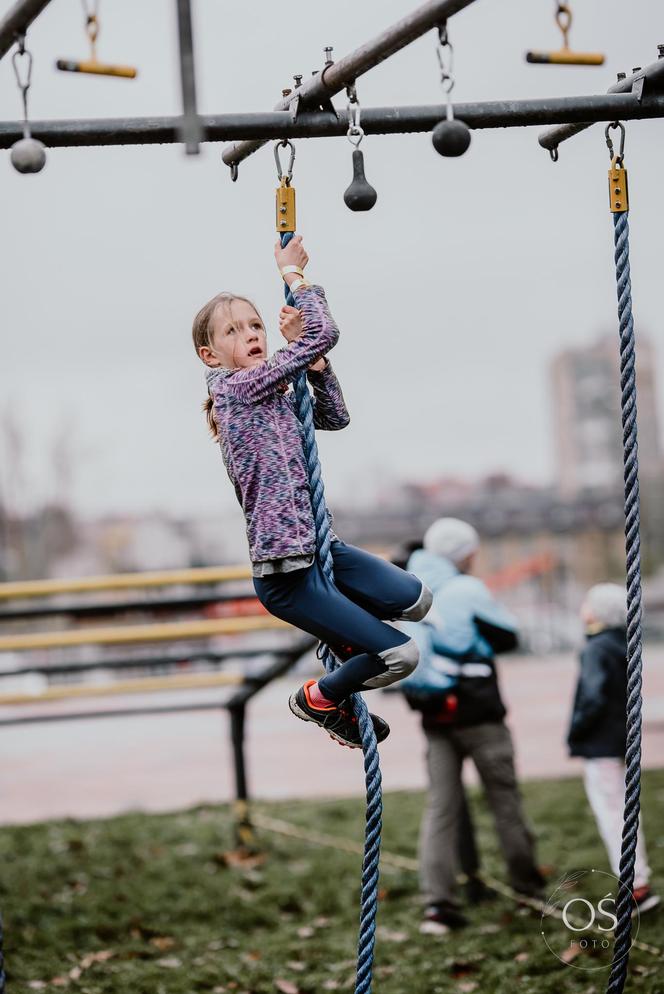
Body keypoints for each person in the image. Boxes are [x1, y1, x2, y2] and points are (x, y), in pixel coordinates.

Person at [192, 236, 432, 749]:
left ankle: (350, 636)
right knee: (401, 656)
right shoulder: (234, 391)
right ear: (210, 354)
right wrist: (295, 275)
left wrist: (316, 366)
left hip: (323, 550)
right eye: (234, 331)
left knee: (417, 599)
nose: (252, 335)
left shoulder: (273, 391)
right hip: (288, 574)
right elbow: (324, 331)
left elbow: (334, 416)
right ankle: (320, 698)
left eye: (256, 325)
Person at [405, 517, 545, 933]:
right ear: (465, 553)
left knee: (441, 809)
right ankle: (527, 887)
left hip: (434, 714)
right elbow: (509, 635)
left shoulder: (408, 587)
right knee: (505, 802)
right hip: (480, 713)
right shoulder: (467, 588)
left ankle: (439, 904)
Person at [567, 582, 660, 914]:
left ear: (597, 612)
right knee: (624, 807)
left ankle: (635, 886)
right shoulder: (623, 644)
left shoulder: (595, 648)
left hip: (601, 744)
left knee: (611, 811)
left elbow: (592, 697)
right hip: (620, 737)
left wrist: (577, 730)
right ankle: (638, 879)